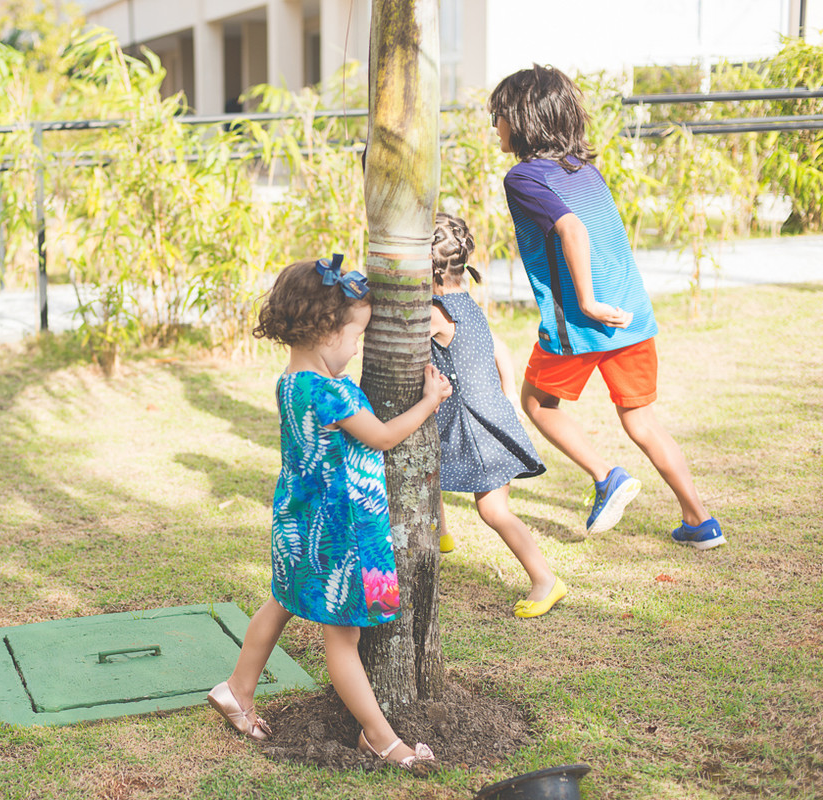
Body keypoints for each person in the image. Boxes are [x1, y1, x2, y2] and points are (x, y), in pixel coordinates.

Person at [207, 255, 452, 769]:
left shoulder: (289, 383)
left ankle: (237, 688)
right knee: (344, 637)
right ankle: (382, 737)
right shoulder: (332, 391)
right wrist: (430, 400)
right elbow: (383, 437)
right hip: (342, 531)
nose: (358, 346)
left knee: (281, 602)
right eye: (356, 335)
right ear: (326, 333)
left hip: (298, 522)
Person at [488, 64, 724, 549]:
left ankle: (605, 476)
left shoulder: (523, 177)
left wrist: (589, 303)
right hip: (632, 316)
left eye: (500, 116)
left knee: (536, 402)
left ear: (523, 120)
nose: (496, 128)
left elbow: (572, 230)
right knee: (641, 420)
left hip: (581, 321)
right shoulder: (586, 171)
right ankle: (699, 521)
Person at [428, 213, 565, 618]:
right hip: (484, 417)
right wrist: (506, 396)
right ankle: (441, 534)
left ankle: (545, 579)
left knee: (493, 511)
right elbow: (501, 350)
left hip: (479, 429)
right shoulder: (465, 302)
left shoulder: (435, 313)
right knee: (426, 466)